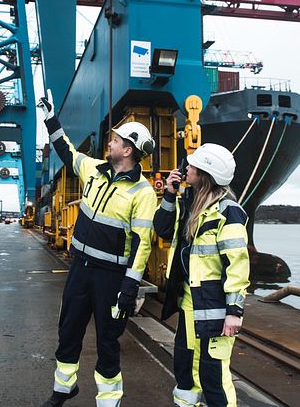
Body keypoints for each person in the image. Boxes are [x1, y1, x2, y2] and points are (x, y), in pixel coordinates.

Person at [38, 90, 157, 407]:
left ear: (128, 150)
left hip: (111, 279)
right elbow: (66, 152)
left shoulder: (144, 194)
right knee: (69, 331)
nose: (110, 142)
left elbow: (142, 245)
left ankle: (109, 399)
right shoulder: (93, 168)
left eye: (116, 141)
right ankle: (64, 388)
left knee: (107, 341)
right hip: (79, 269)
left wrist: (129, 287)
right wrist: (51, 118)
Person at [153, 143, 251, 407]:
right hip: (189, 305)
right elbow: (161, 229)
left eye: (192, 165)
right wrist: (169, 196)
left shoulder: (228, 212)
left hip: (215, 310)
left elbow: (237, 264)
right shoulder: (188, 203)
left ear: (205, 173)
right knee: (185, 370)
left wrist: (234, 311)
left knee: (214, 377)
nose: (187, 167)